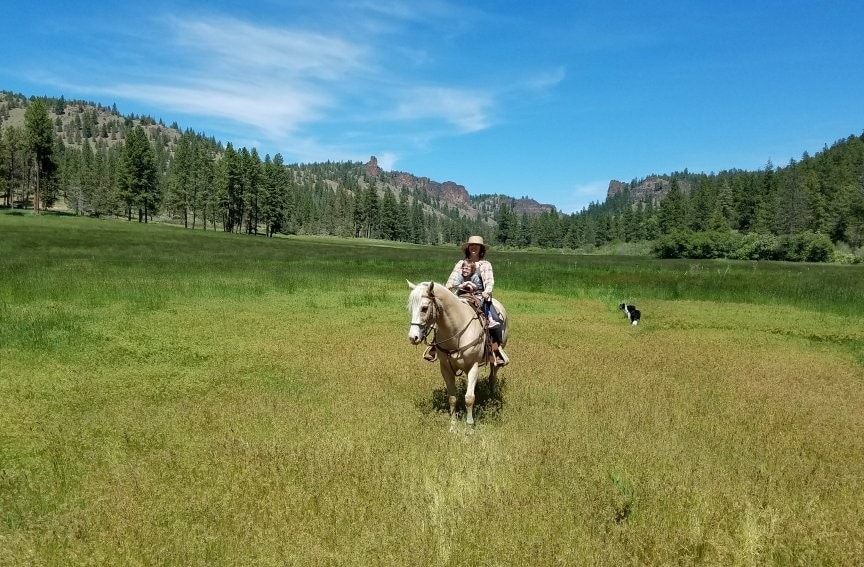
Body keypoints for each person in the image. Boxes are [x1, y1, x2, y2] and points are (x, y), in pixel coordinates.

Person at [444, 235, 508, 366]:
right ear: (468, 247)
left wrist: (487, 291)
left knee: (495, 318)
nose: (474, 247)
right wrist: (448, 288)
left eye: (477, 245)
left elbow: (489, 281)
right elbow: (452, 279)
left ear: (481, 248)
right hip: (461, 295)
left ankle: (496, 350)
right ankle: (436, 346)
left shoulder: (485, 264)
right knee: (442, 315)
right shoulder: (460, 264)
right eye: (471, 245)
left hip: (480, 296)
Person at [448, 259, 499, 329]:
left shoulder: (478, 272)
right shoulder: (460, 274)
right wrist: (463, 285)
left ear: (472, 270)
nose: (464, 270)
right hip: (461, 293)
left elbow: (477, 286)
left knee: (485, 305)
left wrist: (470, 284)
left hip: (476, 293)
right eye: (463, 268)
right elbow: (456, 284)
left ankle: (491, 320)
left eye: (467, 269)